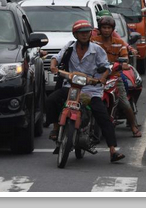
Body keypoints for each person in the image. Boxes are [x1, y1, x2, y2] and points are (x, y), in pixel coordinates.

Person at [47, 20, 125, 163]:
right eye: (81, 33)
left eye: (87, 32)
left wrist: (102, 79)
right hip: (70, 86)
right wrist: (53, 67)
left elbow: (106, 67)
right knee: (51, 100)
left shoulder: (97, 50)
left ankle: (113, 150)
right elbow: (56, 58)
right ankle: (55, 127)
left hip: (91, 89)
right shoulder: (69, 47)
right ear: (75, 34)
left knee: (103, 116)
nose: (84, 35)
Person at [91, 16, 142, 138]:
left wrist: (122, 64)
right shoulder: (93, 41)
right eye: (104, 28)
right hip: (95, 78)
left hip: (114, 78)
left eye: (109, 28)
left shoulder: (119, 43)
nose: (106, 30)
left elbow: (125, 60)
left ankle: (133, 126)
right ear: (100, 29)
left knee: (125, 103)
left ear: (112, 29)